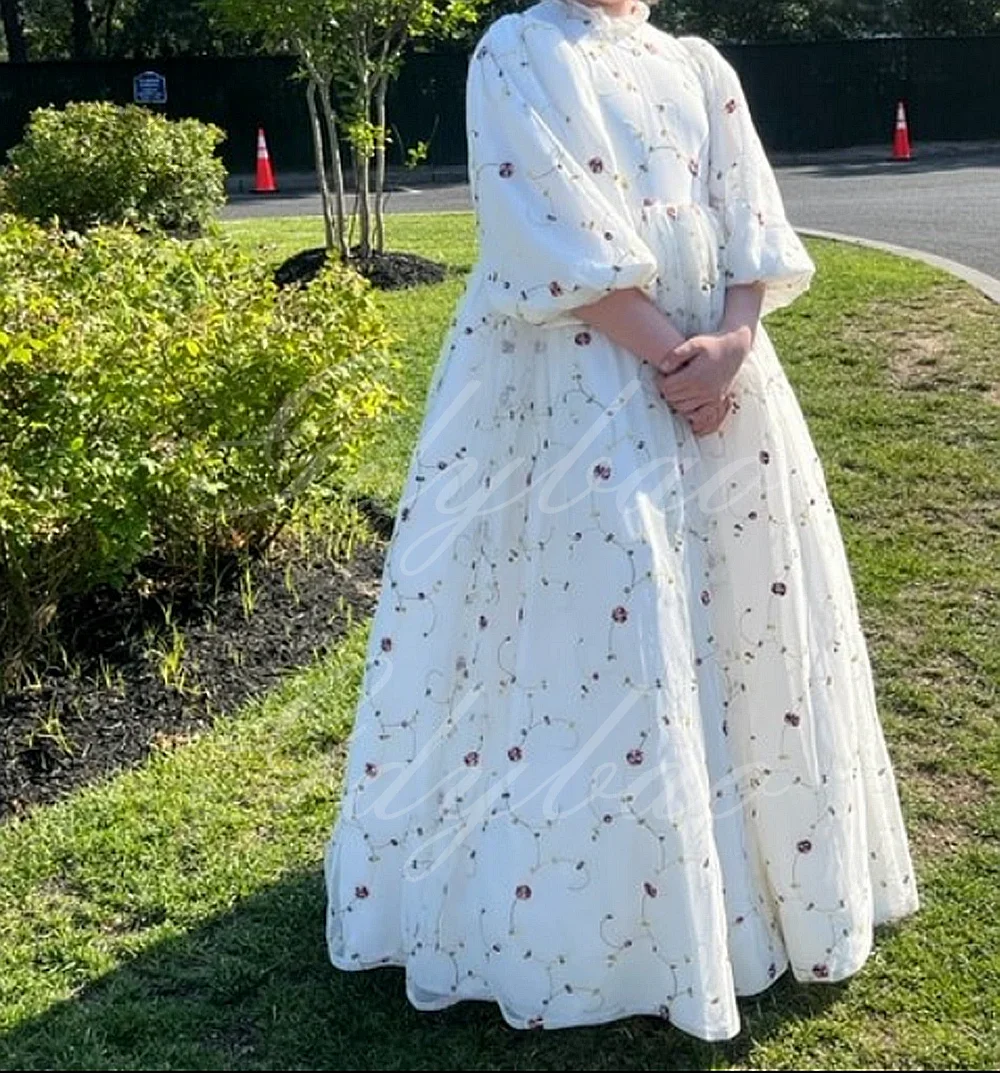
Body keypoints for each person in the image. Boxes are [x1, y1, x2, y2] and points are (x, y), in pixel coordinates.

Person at [322, 0, 919, 1041]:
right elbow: (546, 228)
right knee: (597, 620)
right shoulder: (518, 50)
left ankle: (743, 883)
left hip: (723, 378)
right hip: (570, 386)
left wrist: (732, 340)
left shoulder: (696, 62)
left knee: (737, 615)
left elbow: (748, 217)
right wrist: (674, 357)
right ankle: (587, 911)